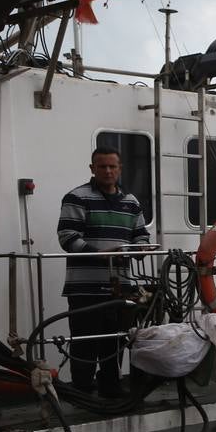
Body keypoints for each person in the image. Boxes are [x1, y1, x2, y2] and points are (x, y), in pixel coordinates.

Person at [57, 146, 149, 396]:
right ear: (92, 169)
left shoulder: (131, 203)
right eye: (102, 166)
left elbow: (141, 235)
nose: (107, 171)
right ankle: (82, 391)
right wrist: (98, 254)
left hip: (120, 287)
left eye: (112, 166)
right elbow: (67, 237)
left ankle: (111, 389)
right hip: (84, 287)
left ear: (120, 169)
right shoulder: (76, 197)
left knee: (115, 340)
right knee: (84, 342)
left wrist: (139, 249)